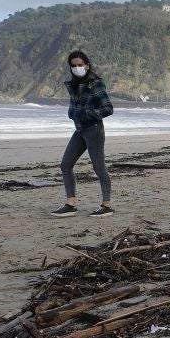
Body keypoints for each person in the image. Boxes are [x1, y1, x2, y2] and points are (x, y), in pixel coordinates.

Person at [52, 50, 115, 217]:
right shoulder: (73, 84)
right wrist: (72, 113)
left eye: (80, 65)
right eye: (74, 66)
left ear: (87, 65)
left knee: (98, 167)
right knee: (66, 165)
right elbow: (76, 107)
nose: (77, 68)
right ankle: (71, 204)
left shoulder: (95, 84)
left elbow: (108, 109)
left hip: (94, 129)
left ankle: (106, 205)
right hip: (79, 130)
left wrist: (86, 113)